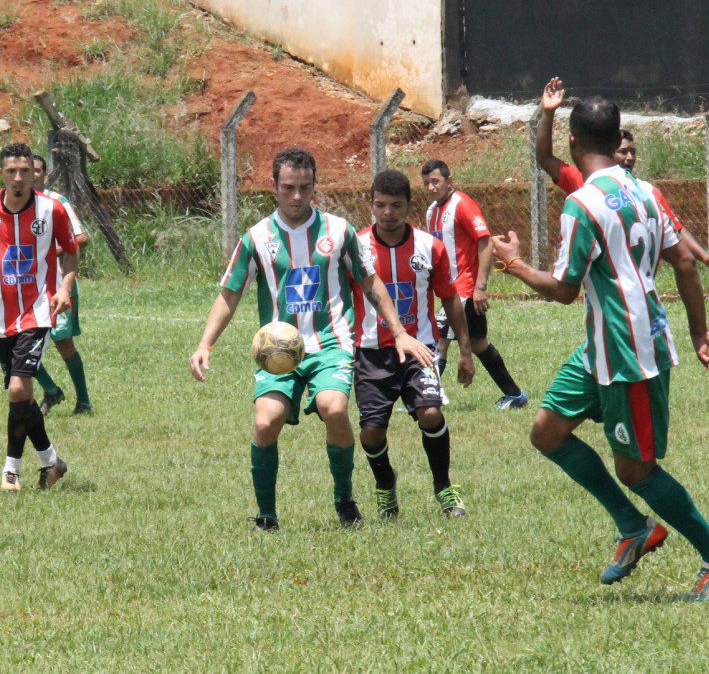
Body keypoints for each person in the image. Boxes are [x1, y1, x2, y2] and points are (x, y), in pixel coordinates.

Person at [491, 97, 709, 600]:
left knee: (636, 469)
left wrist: (513, 264)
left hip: (628, 353)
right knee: (547, 431)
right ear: (617, 141)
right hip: (602, 347)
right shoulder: (646, 191)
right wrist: (699, 333)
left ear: (572, 141)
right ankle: (634, 527)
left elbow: (564, 289)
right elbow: (685, 261)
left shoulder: (582, 204)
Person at [188, 147, 434, 530]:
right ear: (274, 186)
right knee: (266, 422)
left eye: (305, 187)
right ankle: (266, 516)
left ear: (315, 185)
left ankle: (344, 500)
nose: (297, 196)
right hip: (277, 350)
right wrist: (206, 344)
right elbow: (230, 293)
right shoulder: (256, 238)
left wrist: (400, 333)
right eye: (288, 187)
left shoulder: (339, 231)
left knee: (334, 409)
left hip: (331, 343)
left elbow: (370, 282)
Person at [352, 170, 475, 518]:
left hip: (420, 348)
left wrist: (465, 352)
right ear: (371, 204)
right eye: (380, 205)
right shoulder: (357, 248)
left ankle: (444, 486)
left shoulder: (429, 247)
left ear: (409, 205)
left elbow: (450, 298)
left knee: (431, 413)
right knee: (372, 433)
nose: (387, 213)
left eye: (396, 205)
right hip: (371, 353)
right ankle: (385, 483)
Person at [0, 142, 75, 491]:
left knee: (18, 388)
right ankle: (51, 461)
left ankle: (11, 470)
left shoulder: (51, 209)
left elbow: (71, 251)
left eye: (25, 170)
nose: (19, 178)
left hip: (38, 312)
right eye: (12, 171)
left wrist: (64, 288)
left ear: (33, 174)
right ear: (1, 175)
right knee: (20, 396)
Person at [537, 76, 709, 271]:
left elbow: (675, 229)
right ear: (611, 147)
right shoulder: (582, 182)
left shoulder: (644, 192)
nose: (629, 158)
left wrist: (703, 256)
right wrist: (548, 113)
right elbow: (544, 158)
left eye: (633, 152)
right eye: (623, 152)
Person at [421, 159, 527, 410]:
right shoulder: (431, 211)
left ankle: (427, 398)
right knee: (478, 343)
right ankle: (514, 395)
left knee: (439, 341)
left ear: (449, 181)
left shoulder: (463, 204)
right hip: (449, 288)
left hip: (464, 289)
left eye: (435, 181)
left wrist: (480, 287)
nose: (431, 188)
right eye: (426, 183)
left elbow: (485, 241)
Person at [30, 155, 94, 416]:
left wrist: (50, 251)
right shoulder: (13, 206)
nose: (31, 174)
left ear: (45, 175)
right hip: (27, 288)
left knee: (63, 344)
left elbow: (81, 238)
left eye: (37, 170)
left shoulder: (56, 202)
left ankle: (84, 402)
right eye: (26, 169)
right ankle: (51, 389)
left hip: (58, 285)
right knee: (18, 344)